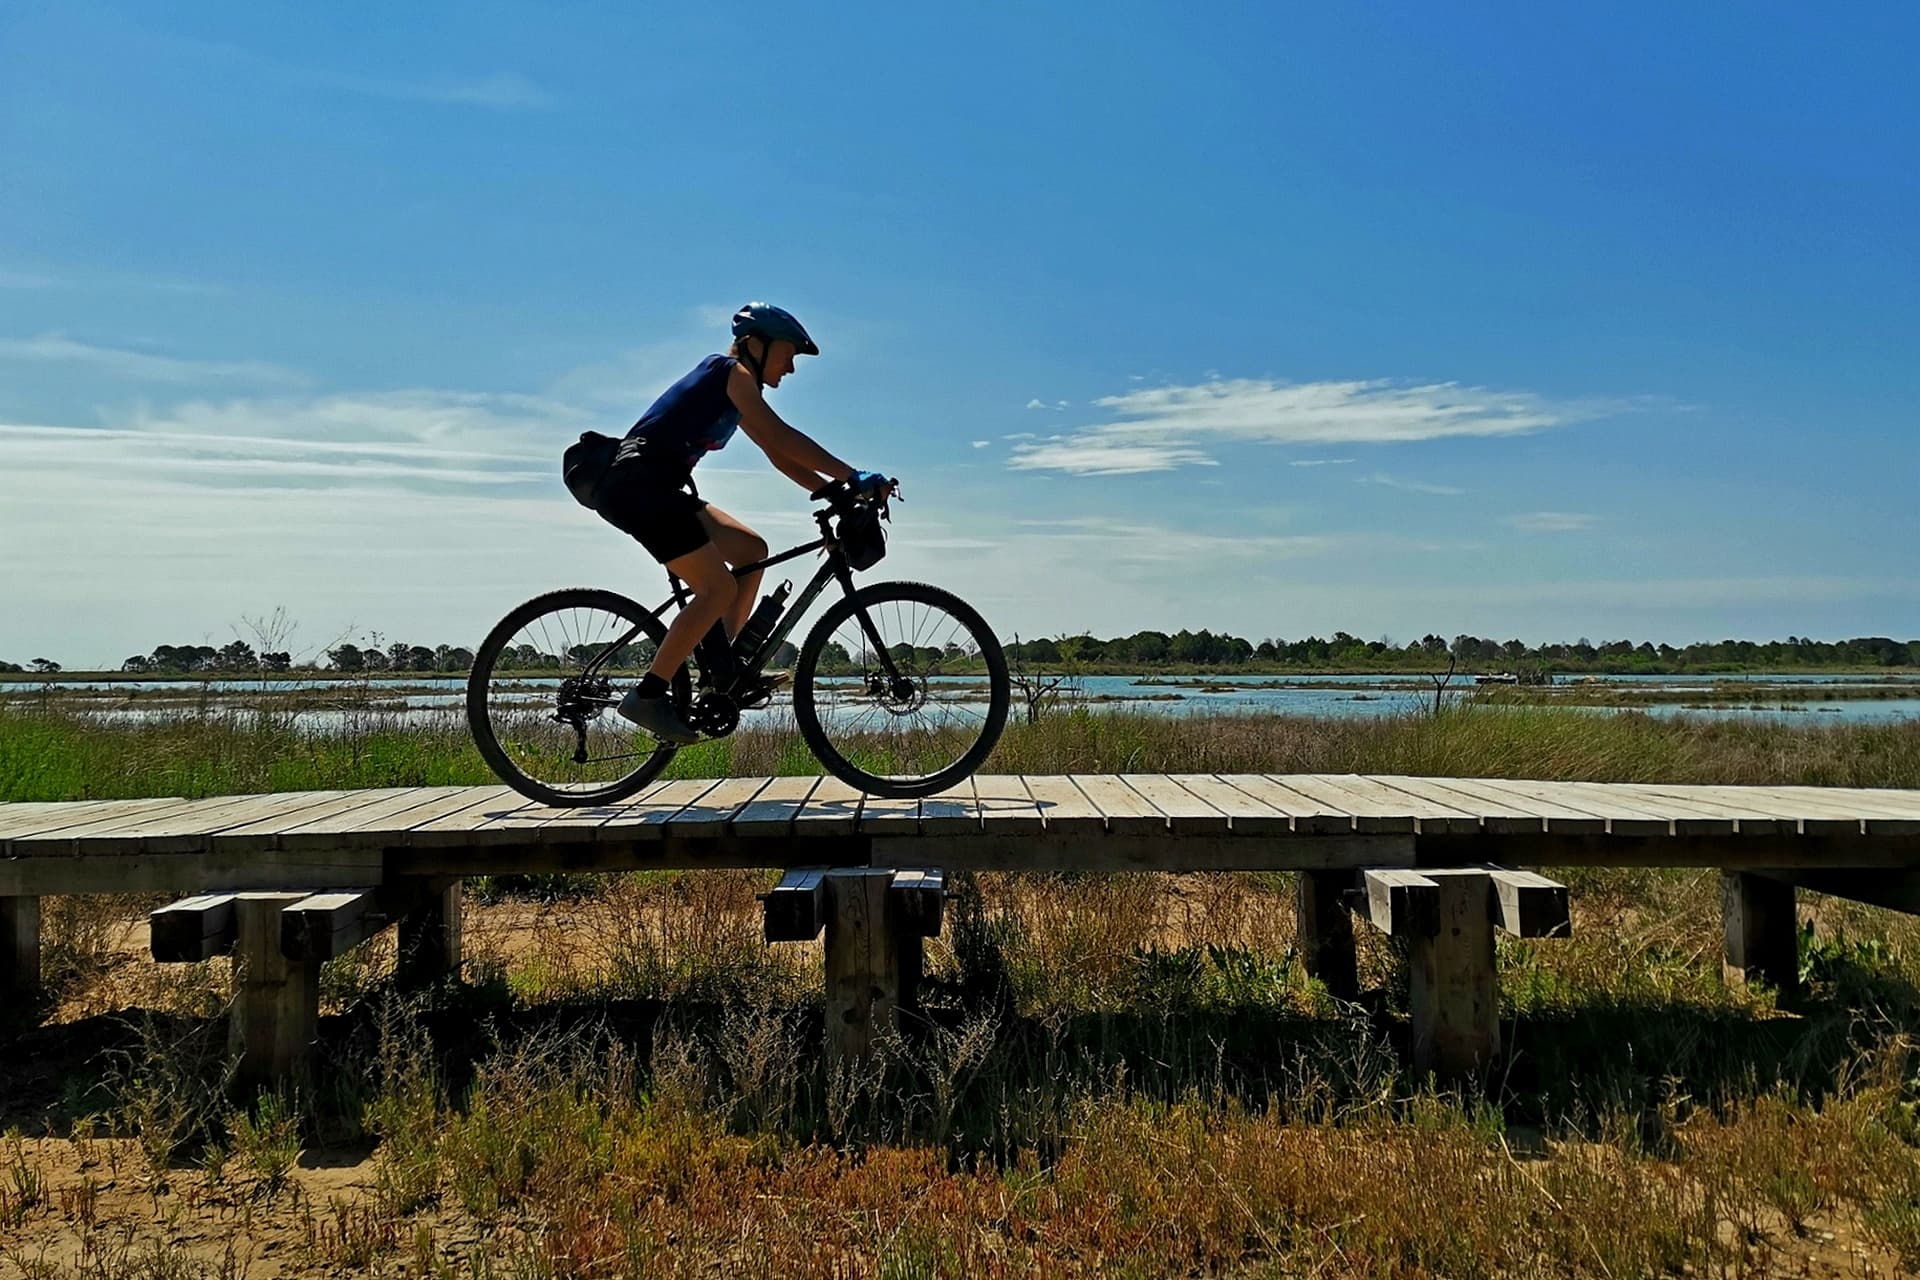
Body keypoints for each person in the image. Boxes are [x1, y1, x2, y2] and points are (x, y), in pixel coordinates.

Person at [591, 302, 888, 744]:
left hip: (659, 490)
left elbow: (777, 454)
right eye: (788, 354)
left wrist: (835, 493)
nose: (791, 368)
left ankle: (721, 671)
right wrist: (852, 476)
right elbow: (781, 436)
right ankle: (648, 696)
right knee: (718, 588)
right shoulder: (730, 372)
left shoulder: (738, 391)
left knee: (751, 551)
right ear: (755, 345)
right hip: (638, 488)